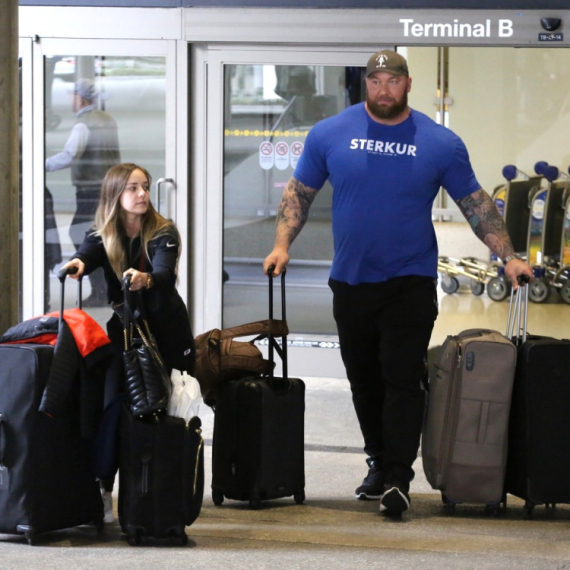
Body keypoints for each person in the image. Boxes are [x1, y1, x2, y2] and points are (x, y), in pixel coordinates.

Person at [263, 50, 533, 517]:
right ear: (365, 84)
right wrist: (281, 245)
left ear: (408, 84)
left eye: (393, 80)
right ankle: (378, 459)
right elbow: (299, 193)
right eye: (376, 80)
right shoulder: (330, 133)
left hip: (410, 279)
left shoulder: (440, 142)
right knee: (363, 380)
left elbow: (475, 203)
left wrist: (508, 256)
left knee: (402, 377)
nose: (383, 89)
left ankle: (397, 477)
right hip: (351, 280)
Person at [61, 163, 195, 523]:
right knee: (113, 405)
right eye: (133, 188)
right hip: (125, 332)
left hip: (166, 335)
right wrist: (76, 264)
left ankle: (161, 493)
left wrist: (145, 279)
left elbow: (164, 272)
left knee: (164, 413)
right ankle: (104, 489)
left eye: (145, 187)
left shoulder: (163, 230)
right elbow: (87, 253)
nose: (142, 194)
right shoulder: (103, 233)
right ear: (115, 195)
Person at [46, 78, 121, 306]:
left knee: (84, 236)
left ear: (80, 98)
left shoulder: (83, 124)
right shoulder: (107, 119)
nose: (71, 100)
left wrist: (39, 165)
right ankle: (105, 289)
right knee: (101, 236)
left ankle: (101, 291)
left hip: (91, 190)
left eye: (72, 96)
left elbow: (70, 155)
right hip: (108, 187)